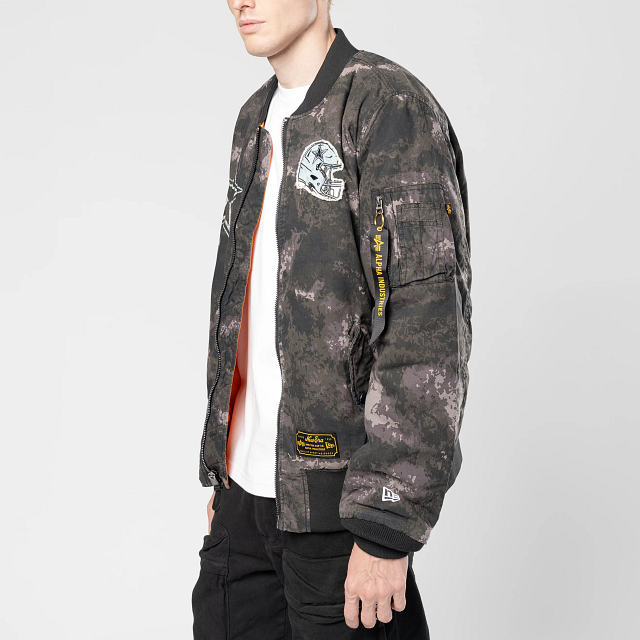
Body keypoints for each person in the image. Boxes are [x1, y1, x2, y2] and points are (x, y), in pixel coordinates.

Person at [192, 1, 472, 638]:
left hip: (342, 520)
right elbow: (245, 310)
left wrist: (387, 524)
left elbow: (427, 325)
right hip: (244, 511)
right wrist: (229, 467)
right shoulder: (253, 121)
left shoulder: (387, 107)